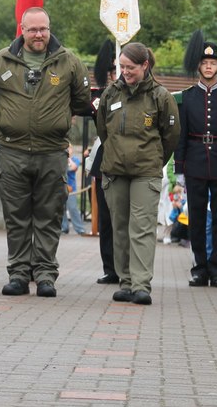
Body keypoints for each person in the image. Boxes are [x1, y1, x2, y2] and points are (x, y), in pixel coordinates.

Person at [0, 7, 91, 298]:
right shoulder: (0, 61)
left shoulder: (69, 62)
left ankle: (44, 275)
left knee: (48, 215)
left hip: (52, 152)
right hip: (12, 151)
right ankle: (18, 273)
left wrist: (54, 121)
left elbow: (80, 100)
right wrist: (11, 119)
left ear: (49, 29)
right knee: (16, 217)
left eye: (43, 29)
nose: (39, 34)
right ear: (22, 29)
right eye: (33, 29)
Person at [95, 42, 180, 305]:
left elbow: (171, 136)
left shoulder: (160, 96)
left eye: (130, 67)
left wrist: (153, 160)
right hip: (115, 171)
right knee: (119, 226)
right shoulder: (111, 94)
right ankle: (126, 282)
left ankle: (141, 284)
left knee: (141, 227)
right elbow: (103, 130)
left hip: (145, 172)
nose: (125, 72)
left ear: (145, 65)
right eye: (121, 67)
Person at [174, 31, 217, 288]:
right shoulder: (187, 97)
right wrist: (179, 169)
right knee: (198, 219)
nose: (209, 67)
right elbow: (180, 136)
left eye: (213, 63)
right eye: (205, 63)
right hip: (195, 161)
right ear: (199, 66)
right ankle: (199, 268)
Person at [90, 40, 119, 284]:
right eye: (113, 71)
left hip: (129, 162)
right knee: (107, 220)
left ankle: (126, 267)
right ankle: (110, 267)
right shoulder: (98, 97)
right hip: (104, 160)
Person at [62, 152, 85, 236]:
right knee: (61, 209)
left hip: (71, 189)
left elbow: (74, 167)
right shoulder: (61, 158)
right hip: (61, 187)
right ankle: (64, 228)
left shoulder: (75, 159)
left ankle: (80, 229)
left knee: (73, 208)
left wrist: (68, 159)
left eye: (69, 148)